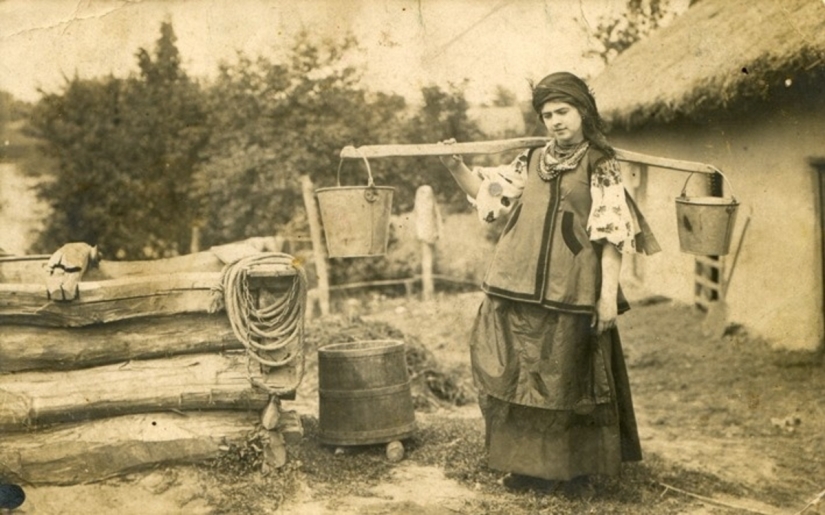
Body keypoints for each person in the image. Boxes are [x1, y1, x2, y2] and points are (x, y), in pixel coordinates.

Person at [438, 71, 660, 492]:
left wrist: (607, 297)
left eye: (563, 112)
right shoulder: (531, 159)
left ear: (582, 112)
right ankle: (522, 467)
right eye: (547, 115)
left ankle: (570, 473)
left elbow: (612, 236)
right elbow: (491, 198)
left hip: (571, 290)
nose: (555, 121)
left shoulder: (602, 163)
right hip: (515, 285)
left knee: (566, 381)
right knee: (519, 375)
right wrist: (456, 167)